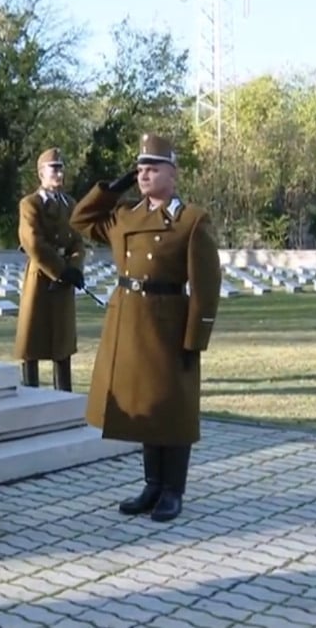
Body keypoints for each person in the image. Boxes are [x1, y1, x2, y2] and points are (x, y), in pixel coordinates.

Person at [70, 132, 222, 522]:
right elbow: (81, 218)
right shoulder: (125, 216)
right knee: (144, 407)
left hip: (169, 322)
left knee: (173, 408)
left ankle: (173, 490)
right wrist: (115, 186)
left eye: (153, 168)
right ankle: (152, 483)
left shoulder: (190, 220)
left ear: (173, 173)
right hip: (129, 323)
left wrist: (196, 337)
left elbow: (206, 286)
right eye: (139, 168)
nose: (144, 174)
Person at [12, 147, 85, 391]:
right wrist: (60, 270)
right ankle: (30, 390)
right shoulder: (30, 204)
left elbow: (77, 240)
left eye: (61, 167)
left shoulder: (70, 204)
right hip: (41, 278)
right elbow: (32, 241)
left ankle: (64, 394)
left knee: (62, 344)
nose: (59, 173)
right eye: (53, 168)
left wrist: (74, 268)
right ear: (41, 173)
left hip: (64, 282)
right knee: (32, 341)